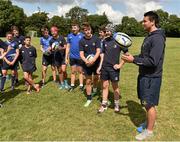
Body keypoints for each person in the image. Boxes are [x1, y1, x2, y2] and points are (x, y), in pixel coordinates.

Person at [122, 11, 166, 140]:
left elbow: (153, 61)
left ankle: (149, 131)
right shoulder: (149, 36)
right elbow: (144, 57)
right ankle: (149, 122)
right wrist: (133, 57)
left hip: (152, 77)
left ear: (152, 22)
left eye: (145, 21)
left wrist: (133, 60)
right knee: (145, 102)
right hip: (144, 75)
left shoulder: (157, 38)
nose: (143, 23)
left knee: (149, 104)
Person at [97, 24, 127, 113]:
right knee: (104, 86)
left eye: (109, 30)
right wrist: (100, 66)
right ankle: (104, 105)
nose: (107, 32)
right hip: (105, 67)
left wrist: (120, 65)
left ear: (113, 31)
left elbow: (126, 54)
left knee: (115, 87)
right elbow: (102, 55)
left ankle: (116, 104)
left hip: (114, 69)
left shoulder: (119, 41)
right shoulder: (104, 41)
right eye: (106, 31)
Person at [79, 22, 100, 107]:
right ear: (83, 31)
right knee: (88, 81)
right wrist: (86, 61)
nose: (87, 31)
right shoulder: (82, 41)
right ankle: (89, 98)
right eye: (85, 30)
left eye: (88, 30)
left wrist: (94, 59)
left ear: (91, 30)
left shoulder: (96, 38)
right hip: (87, 64)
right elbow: (81, 54)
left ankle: (94, 89)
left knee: (95, 78)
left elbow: (98, 51)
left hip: (96, 62)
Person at [66, 23, 84, 91]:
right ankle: (72, 85)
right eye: (72, 27)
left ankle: (81, 86)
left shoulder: (82, 36)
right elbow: (67, 47)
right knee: (73, 71)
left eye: (75, 27)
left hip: (80, 57)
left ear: (78, 28)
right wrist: (66, 58)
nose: (73, 29)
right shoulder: (69, 36)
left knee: (80, 71)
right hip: (72, 57)